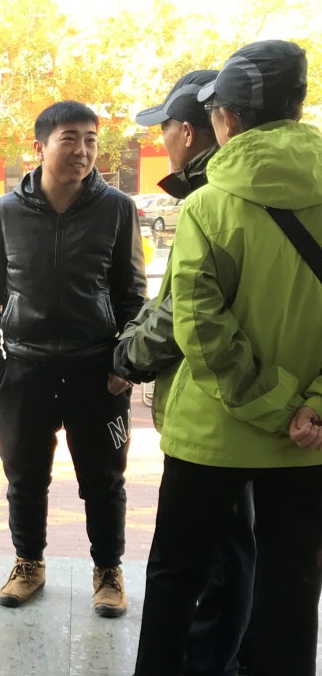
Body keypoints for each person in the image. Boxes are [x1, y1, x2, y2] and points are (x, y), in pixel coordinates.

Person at [133, 40, 322, 676]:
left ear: (228, 120)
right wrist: (310, 408)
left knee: (174, 580)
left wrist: (271, 408)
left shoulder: (210, 204)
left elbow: (200, 328)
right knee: (293, 589)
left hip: (212, 436)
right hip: (308, 442)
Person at [0, 101, 146, 617]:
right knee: (24, 477)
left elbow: (132, 296)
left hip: (98, 373)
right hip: (23, 371)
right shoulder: (4, 213)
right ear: (40, 146)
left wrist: (125, 365)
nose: (84, 150)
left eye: (91, 139)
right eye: (70, 138)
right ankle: (28, 563)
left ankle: (108, 570)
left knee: (104, 480)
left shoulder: (116, 208)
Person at [117, 71, 257, 676]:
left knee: (186, 569)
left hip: (214, 418)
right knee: (244, 561)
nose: (162, 142)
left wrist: (124, 358)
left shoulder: (213, 199)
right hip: (285, 420)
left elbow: (186, 314)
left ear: (193, 130)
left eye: (165, 129)